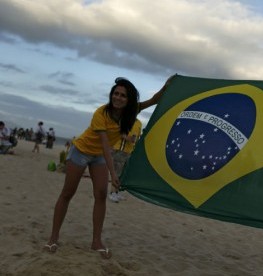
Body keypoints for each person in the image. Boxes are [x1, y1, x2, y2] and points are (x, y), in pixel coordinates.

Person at [44, 76, 172, 258]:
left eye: (123, 95)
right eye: (116, 94)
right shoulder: (101, 113)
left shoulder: (131, 112)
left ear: (129, 100)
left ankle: (96, 242)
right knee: (67, 193)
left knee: (101, 195)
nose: (118, 98)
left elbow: (153, 100)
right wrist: (114, 173)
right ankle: (53, 238)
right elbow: (105, 144)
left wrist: (166, 86)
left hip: (99, 157)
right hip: (81, 151)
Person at [108, 118, 142, 203]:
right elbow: (118, 132)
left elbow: (137, 137)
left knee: (122, 174)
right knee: (117, 173)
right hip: (119, 150)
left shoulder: (139, 123)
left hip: (129, 152)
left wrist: (136, 143)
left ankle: (116, 192)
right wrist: (129, 138)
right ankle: (112, 193)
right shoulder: (123, 119)